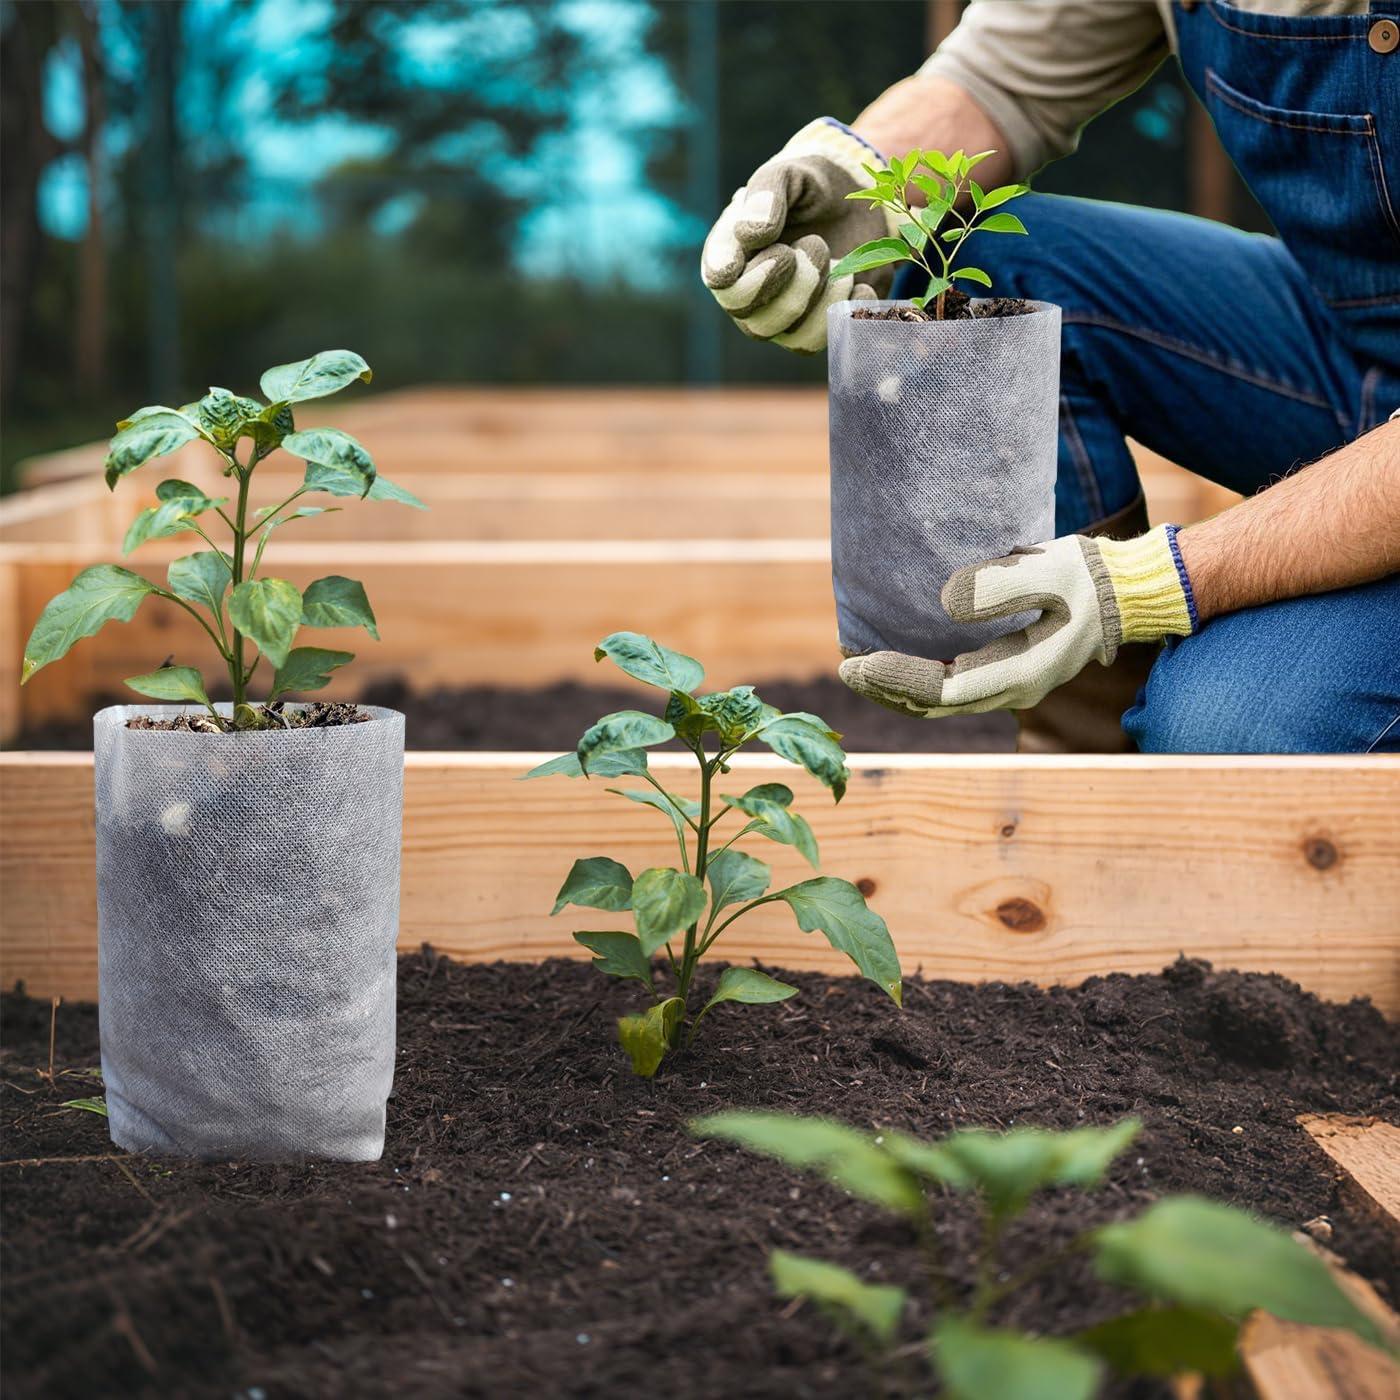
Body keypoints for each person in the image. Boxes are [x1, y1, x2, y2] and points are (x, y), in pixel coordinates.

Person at [701, 0, 1400, 755]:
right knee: (993, 278)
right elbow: (1002, 78)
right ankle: (1086, 765)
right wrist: (859, 177)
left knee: (1235, 734)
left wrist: (1145, 586)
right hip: (1355, 342)